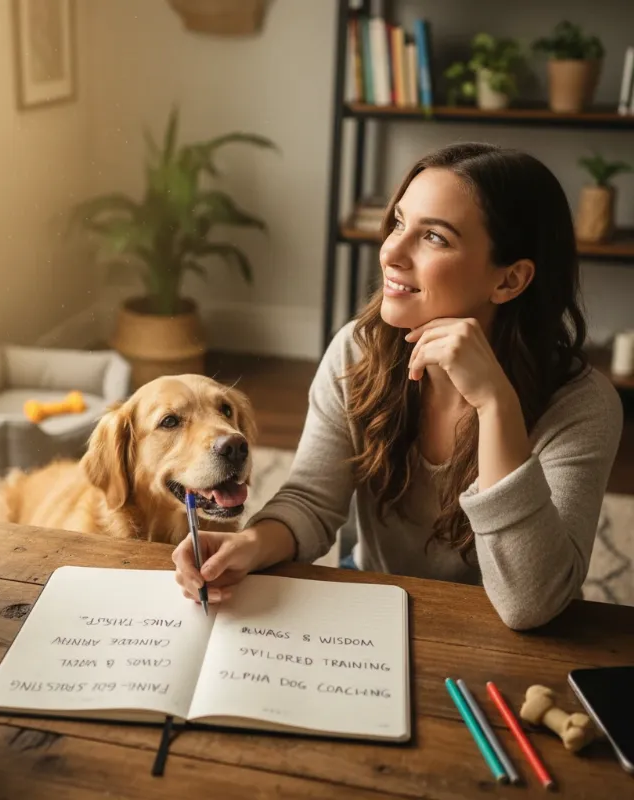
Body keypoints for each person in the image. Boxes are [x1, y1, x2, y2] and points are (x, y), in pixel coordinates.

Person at [172, 142, 623, 630]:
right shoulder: (357, 352)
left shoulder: (583, 406)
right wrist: (249, 544)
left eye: (433, 237)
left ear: (510, 280)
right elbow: (312, 501)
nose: (391, 251)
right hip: (379, 611)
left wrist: (497, 406)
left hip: (515, 636)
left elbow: (531, 603)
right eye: (399, 223)